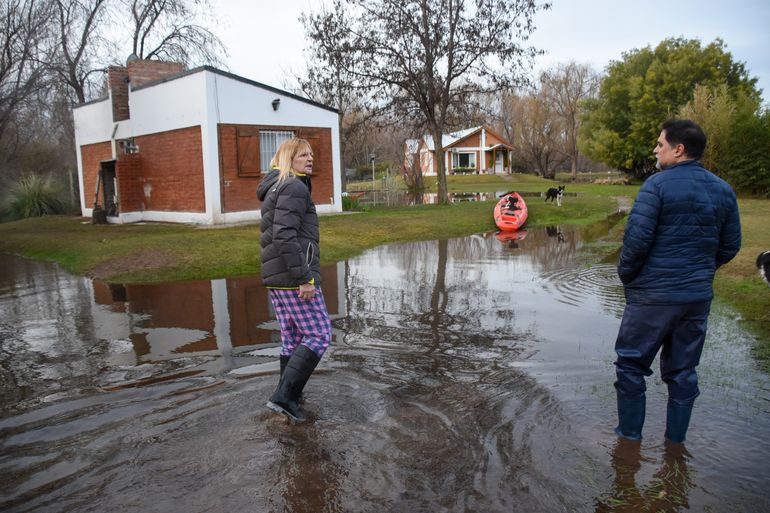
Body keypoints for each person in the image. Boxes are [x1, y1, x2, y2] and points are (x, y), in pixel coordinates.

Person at [613, 119, 741, 444]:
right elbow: (730, 245)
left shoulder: (656, 186)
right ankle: (675, 444)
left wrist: (628, 277)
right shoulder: (724, 190)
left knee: (630, 365)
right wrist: (701, 272)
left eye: (660, 144)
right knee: (683, 372)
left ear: (678, 149)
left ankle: (628, 441)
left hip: (652, 297)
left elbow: (636, 243)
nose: (656, 150)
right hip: (696, 299)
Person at [257, 138, 332, 422]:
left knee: (292, 338)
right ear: (289, 158)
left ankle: (289, 395)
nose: (310, 158)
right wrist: (304, 278)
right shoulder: (294, 187)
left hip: (278, 277)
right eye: (302, 154)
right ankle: (285, 397)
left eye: (311, 154)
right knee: (320, 333)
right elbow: (284, 236)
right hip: (293, 276)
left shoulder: (278, 186)